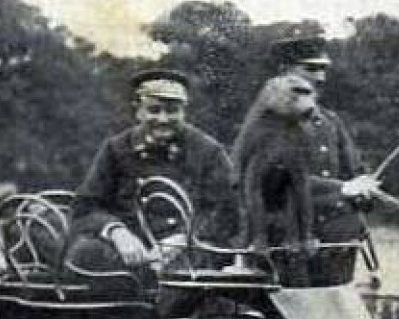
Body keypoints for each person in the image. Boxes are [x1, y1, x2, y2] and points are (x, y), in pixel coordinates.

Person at [68, 68, 237, 295]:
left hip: (192, 248)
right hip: (130, 251)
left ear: (184, 111)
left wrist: (182, 239)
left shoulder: (208, 151)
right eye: (154, 110)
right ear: (138, 111)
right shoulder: (116, 149)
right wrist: (118, 233)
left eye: (172, 111)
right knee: (87, 257)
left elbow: (227, 211)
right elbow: (85, 206)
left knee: (180, 284)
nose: (163, 119)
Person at [232, 27, 379, 286]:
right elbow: (260, 185)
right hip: (286, 242)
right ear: (284, 72)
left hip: (337, 240)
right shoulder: (263, 125)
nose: (320, 78)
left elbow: (355, 172)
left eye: (323, 69)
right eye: (310, 69)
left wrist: (365, 191)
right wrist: (343, 189)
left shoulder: (331, 122)